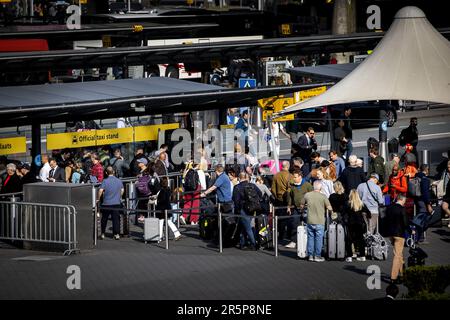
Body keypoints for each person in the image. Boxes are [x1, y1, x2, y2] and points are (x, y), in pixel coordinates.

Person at [301, 180, 332, 262]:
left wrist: (304, 208)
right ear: (321, 187)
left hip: (310, 220)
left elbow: (301, 205)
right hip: (320, 220)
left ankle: (310, 255)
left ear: (313, 186)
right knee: (319, 239)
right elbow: (329, 207)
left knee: (310, 237)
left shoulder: (307, 195)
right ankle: (317, 256)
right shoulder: (323, 196)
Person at [384, 194, 410, 284]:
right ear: (401, 200)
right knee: (397, 255)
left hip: (391, 233)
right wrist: (410, 231)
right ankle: (393, 277)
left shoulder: (389, 207)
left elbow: (385, 219)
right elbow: (405, 223)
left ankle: (403, 274)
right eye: (404, 201)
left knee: (399, 254)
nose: (404, 203)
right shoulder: (402, 209)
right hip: (399, 234)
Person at [232, 172, 261, 250]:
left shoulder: (237, 187)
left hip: (243, 209)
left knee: (247, 227)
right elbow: (260, 194)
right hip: (252, 208)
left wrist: (238, 210)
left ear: (239, 178)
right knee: (244, 226)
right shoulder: (253, 185)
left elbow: (235, 200)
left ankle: (254, 244)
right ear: (246, 177)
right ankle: (242, 243)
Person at [285, 170, 313, 248]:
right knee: (294, 224)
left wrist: (308, 204)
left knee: (308, 224)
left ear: (300, 177)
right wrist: (289, 206)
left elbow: (312, 195)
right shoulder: (292, 186)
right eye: (293, 177)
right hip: (296, 208)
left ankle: (308, 242)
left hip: (306, 209)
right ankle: (294, 242)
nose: (293, 178)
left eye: (295, 177)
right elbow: (291, 197)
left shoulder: (307, 185)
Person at [98, 167, 124, 240]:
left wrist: (98, 198)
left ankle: (103, 233)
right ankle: (116, 234)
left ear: (106, 173)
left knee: (104, 219)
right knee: (116, 219)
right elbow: (122, 190)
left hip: (106, 203)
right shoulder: (119, 181)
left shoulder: (105, 181)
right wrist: (119, 196)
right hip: (116, 202)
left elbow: (100, 190)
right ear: (114, 172)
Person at [343, 190, 370, 262]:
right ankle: (362, 256)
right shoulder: (361, 204)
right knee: (361, 239)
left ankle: (349, 256)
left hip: (350, 224)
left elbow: (343, 213)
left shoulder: (348, 204)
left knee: (349, 240)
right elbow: (369, 213)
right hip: (360, 223)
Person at [271, 161, 292, 241]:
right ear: (288, 166)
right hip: (287, 199)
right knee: (289, 218)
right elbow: (290, 188)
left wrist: (277, 196)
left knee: (279, 218)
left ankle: (281, 235)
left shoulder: (276, 175)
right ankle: (289, 235)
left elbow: (273, 189)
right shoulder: (290, 176)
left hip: (279, 199)